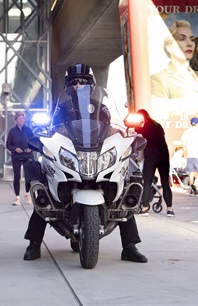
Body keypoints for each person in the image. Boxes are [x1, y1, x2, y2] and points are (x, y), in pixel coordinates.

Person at [22, 63, 147, 263]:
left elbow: (111, 127)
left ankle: (130, 247)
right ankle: (34, 245)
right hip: (71, 153)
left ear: (91, 85)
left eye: (83, 81)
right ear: (68, 85)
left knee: (122, 193)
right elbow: (52, 129)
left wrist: (123, 135)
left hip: (95, 153)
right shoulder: (61, 108)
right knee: (46, 193)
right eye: (74, 82)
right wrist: (44, 135)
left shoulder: (101, 107)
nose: (78, 85)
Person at [135, 109, 175, 216]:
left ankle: (144, 208)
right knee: (165, 183)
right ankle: (170, 209)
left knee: (147, 182)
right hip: (164, 154)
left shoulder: (143, 127)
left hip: (152, 155)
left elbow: (137, 139)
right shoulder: (158, 125)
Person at [6, 111, 34, 206]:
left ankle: (27, 194)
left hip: (27, 156)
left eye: (23, 118)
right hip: (16, 157)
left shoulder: (29, 130)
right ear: (16, 120)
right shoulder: (12, 131)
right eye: (20, 118)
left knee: (28, 177)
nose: (21, 120)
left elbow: (33, 142)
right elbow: (8, 145)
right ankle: (17, 197)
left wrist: (30, 149)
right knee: (17, 176)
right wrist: (15, 149)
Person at [180, 117, 198, 195]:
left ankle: (192, 187)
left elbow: (183, 142)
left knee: (191, 172)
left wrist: (187, 147)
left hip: (190, 153)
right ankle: (195, 183)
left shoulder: (186, 132)